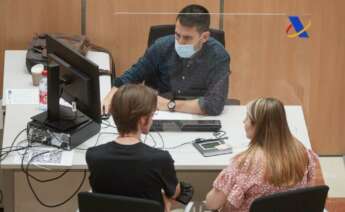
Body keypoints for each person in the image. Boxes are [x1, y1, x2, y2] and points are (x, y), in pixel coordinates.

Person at [103, 4, 230, 116]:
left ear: (204, 37)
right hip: (157, 116)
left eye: (187, 38)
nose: (180, 42)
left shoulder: (218, 56)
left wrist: (169, 105)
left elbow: (214, 104)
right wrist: (111, 95)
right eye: (177, 35)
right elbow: (132, 75)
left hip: (196, 117)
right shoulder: (161, 47)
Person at [205, 98, 319, 211]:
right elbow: (307, 191)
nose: (244, 121)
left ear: (257, 125)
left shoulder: (245, 163)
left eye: (247, 118)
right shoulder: (301, 152)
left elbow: (212, 204)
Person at [86, 84, 184, 211]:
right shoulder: (160, 159)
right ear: (143, 120)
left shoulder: (93, 155)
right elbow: (174, 193)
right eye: (152, 115)